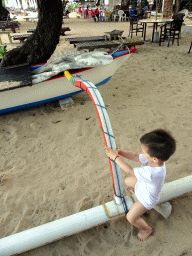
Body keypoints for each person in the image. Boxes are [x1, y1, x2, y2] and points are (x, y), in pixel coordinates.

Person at [105, 129, 176, 241]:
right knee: (128, 181)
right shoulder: (154, 161)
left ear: (154, 159)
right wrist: (121, 152)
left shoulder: (153, 173)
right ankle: (136, 193)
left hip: (146, 199)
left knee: (130, 218)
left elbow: (129, 170)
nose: (141, 153)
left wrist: (115, 157)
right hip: (143, 186)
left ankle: (146, 229)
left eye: (143, 151)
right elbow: (135, 156)